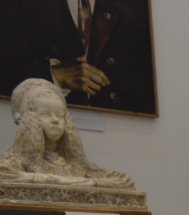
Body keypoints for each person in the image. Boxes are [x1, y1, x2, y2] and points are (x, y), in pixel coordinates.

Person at [0, 0, 157, 116]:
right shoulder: (18, 4)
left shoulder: (135, 6)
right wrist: (55, 75)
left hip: (119, 132)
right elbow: (7, 74)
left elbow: (146, 89)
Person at [0, 77, 136, 189]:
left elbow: (124, 181)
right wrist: (57, 181)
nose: (55, 120)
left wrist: (92, 183)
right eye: (46, 114)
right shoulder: (11, 162)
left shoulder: (76, 165)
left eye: (60, 115)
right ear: (30, 119)